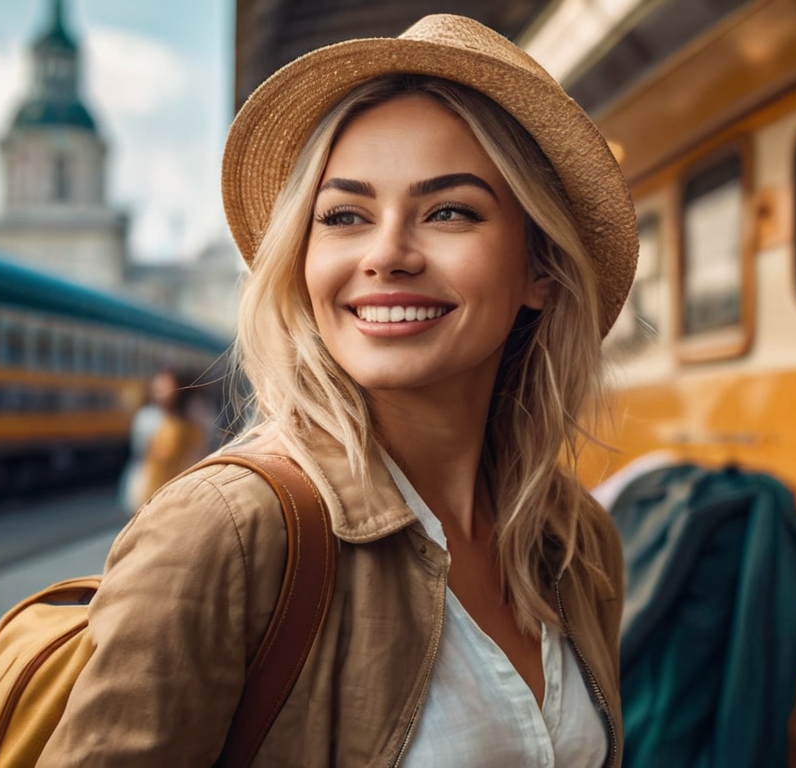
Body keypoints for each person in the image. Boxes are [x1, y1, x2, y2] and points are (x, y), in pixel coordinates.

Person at [39, 14, 638, 767]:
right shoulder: (225, 534)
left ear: (539, 270)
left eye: (449, 210)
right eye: (345, 215)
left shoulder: (578, 541)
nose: (387, 253)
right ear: (303, 262)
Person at [119, 368, 205, 513]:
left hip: (177, 489)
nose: (162, 392)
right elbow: (143, 455)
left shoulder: (191, 422)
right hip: (154, 487)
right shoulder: (148, 418)